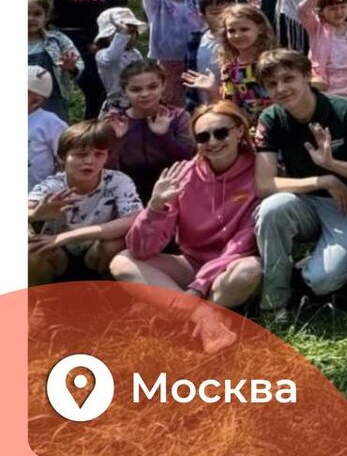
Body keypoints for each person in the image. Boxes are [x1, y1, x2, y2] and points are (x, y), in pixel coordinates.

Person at [252, 49, 347, 320]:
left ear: (307, 76)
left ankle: (330, 264)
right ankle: (274, 301)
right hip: (306, 201)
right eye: (272, 84)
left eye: (288, 78)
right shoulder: (271, 118)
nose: (281, 88)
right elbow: (264, 184)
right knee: (271, 208)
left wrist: (333, 165)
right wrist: (323, 179)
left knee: (323, 282)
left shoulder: (345, 111)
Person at [111, 102, 263, 310]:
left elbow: (244, 243)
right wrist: (155, 208)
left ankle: (186, 311)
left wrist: (199, 286)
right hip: (191, 264)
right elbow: (140, 251)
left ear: (238, 131)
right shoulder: (183, 175)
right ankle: (199, 316)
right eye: (203, 137)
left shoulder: (260, 171)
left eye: (221, 133)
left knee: (249, 271)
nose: (212, 142)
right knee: (122, 261)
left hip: (232, 265)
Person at [30, 0, 127, 117]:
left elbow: (119, 12)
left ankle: (95, 124)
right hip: (69, 37)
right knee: (81, 83)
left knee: (99, 87)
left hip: (100, 38)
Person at [28, 120, 141, 285]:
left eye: (99, 154)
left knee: (115, 243)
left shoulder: (118, 181)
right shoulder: (52, 185)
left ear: (107, 156)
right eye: (81, 155)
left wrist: (66, 236)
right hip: (57, 252)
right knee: (31, 250)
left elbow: (134, 219)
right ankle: (40, 295)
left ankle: (105, 287)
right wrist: (36, 214)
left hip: (96, 248)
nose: (90, 161)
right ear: (62, 157)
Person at [137, 0, 233, 105]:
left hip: (197, 56)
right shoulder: (157, 4)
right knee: (172, 97)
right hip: (170, 60)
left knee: (200, 95)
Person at [109, 61, 197, 203]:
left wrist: (164, 136)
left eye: (152, 87)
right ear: (124, 91)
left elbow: (188, 158)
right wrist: (116, 141)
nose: (145, 94)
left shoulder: (179, 117)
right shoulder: (117, 123)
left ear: (163, 85)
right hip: (130, 196)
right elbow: (106, 169)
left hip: (174, 190)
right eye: (136, 89)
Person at [182, 2, 277, 125]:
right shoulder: (229, 69)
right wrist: (214, 90)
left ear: (260, 29)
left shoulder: (273, 62)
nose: (237, 35)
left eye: (244, 29)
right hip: (245, 129)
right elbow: (229, 106)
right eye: (231, 31)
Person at [27, 0, 82, 123]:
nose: (30, 18)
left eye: (37, 14)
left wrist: (71, 67)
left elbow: (78, 62)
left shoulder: (57, 40)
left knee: (56, 131)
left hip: (54, 100)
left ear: (46, 17)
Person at [94, 6, 147, 110]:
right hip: (118, 104)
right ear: (106, 36)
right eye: (118, 33)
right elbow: (112, 58)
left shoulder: (135, 53)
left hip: (139, 101)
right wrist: (122, 34)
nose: (128, 36)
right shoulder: (102, 55)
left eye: (131, 32)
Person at [28, 66, 67, 190]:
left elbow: (65, 160)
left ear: (36, 101)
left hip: (37, 194)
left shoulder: (51, 123)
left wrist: (54, 188)